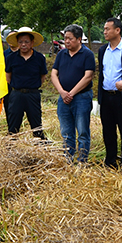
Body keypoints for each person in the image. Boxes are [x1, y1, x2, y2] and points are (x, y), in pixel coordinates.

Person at [96, 18, 122, 168]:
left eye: (107, 29)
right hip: (106, 96)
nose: (105, 32)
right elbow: (102, 73)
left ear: (117, 30)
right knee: (108, 131)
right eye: (104, 29)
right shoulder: (102, 50)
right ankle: (110, 162)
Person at [50, 25, 96, 162]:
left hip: (81, 97)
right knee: (66, 132)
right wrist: (62, 92)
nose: (67, 41)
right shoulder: (61, 54)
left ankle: (82, 160)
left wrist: (71, 93)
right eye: (65, 38)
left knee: (82, 131)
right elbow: (54, 73)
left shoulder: (87, 54)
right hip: (63, 98)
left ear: (79, 39)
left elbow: (88, 76)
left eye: (70, 38)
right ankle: (68, 159)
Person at [2, 27, 48, 138]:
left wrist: (31, 86)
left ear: (32, 43)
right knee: (13, 124)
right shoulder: (11, 58)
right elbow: (8, 77)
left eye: (26, 42)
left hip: (33, 94)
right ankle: (11, 145)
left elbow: (43, 76)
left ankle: (40, 144)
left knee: (36, 123)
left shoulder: (39, 58)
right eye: (21, 42)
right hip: (16, 94)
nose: (23, 44)